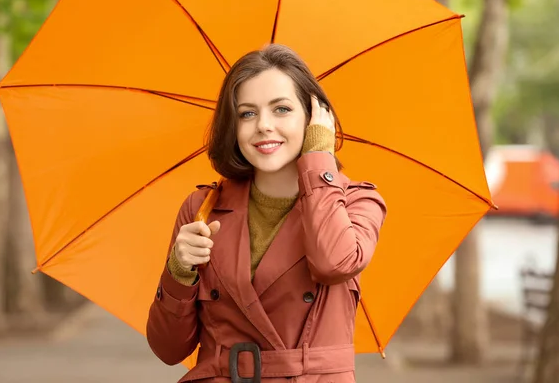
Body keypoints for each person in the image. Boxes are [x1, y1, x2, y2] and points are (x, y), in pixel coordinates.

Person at [146, 43, 387, 383]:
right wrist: (179, 270)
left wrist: (319, 157)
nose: (263, 126)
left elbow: (333, 262)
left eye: (282, 109)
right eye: (247, 113)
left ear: (315, 117)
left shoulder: (357, 201)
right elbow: (168, 349)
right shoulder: (202, 209)